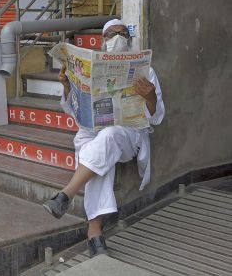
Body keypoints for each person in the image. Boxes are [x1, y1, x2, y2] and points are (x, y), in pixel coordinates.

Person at [43, 19, 165, 256]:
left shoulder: (146, 71)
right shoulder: (91, 67)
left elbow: (157, 117)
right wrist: (68, 86)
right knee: (100, 154)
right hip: (93, 132)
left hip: (129, 135)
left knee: (108, 137)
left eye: (121, 34)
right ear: (102, 40)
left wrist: (151, 97)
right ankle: (94, 235)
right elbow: (71, 110)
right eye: (110, 35)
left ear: (129, 40)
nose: (116, 38)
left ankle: (66, 194)